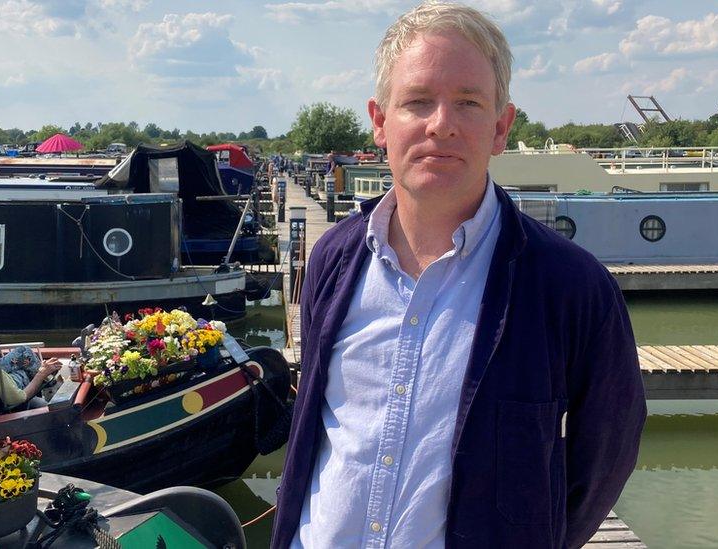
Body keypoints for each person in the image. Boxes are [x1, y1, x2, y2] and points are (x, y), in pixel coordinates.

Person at [272, 3, 647, 548]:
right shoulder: (333, 258)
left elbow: (607, 451)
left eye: (468, 103)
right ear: (380, 122)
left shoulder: (571, 287)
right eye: (418, 101)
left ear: (500, 127)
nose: (440, 124)